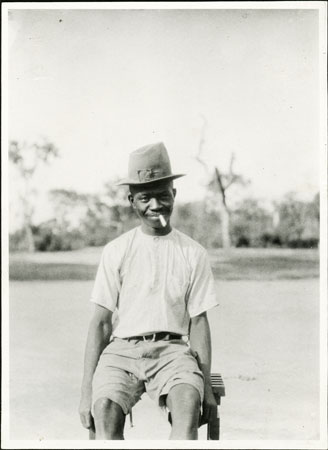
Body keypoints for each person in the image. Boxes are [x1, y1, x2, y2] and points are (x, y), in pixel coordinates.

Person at [79, 142, 220, 440]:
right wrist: (86, 391)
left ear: (174, 194)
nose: (155, 206)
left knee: (187, 406)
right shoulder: (116, 251)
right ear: (132, 200)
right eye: (145, 198)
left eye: (162, 195)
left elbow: (199, 322)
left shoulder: (193, 253)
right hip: (122, 351)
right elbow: (101, 322)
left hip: (172, 351)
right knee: (103, 408)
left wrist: (205, 386)